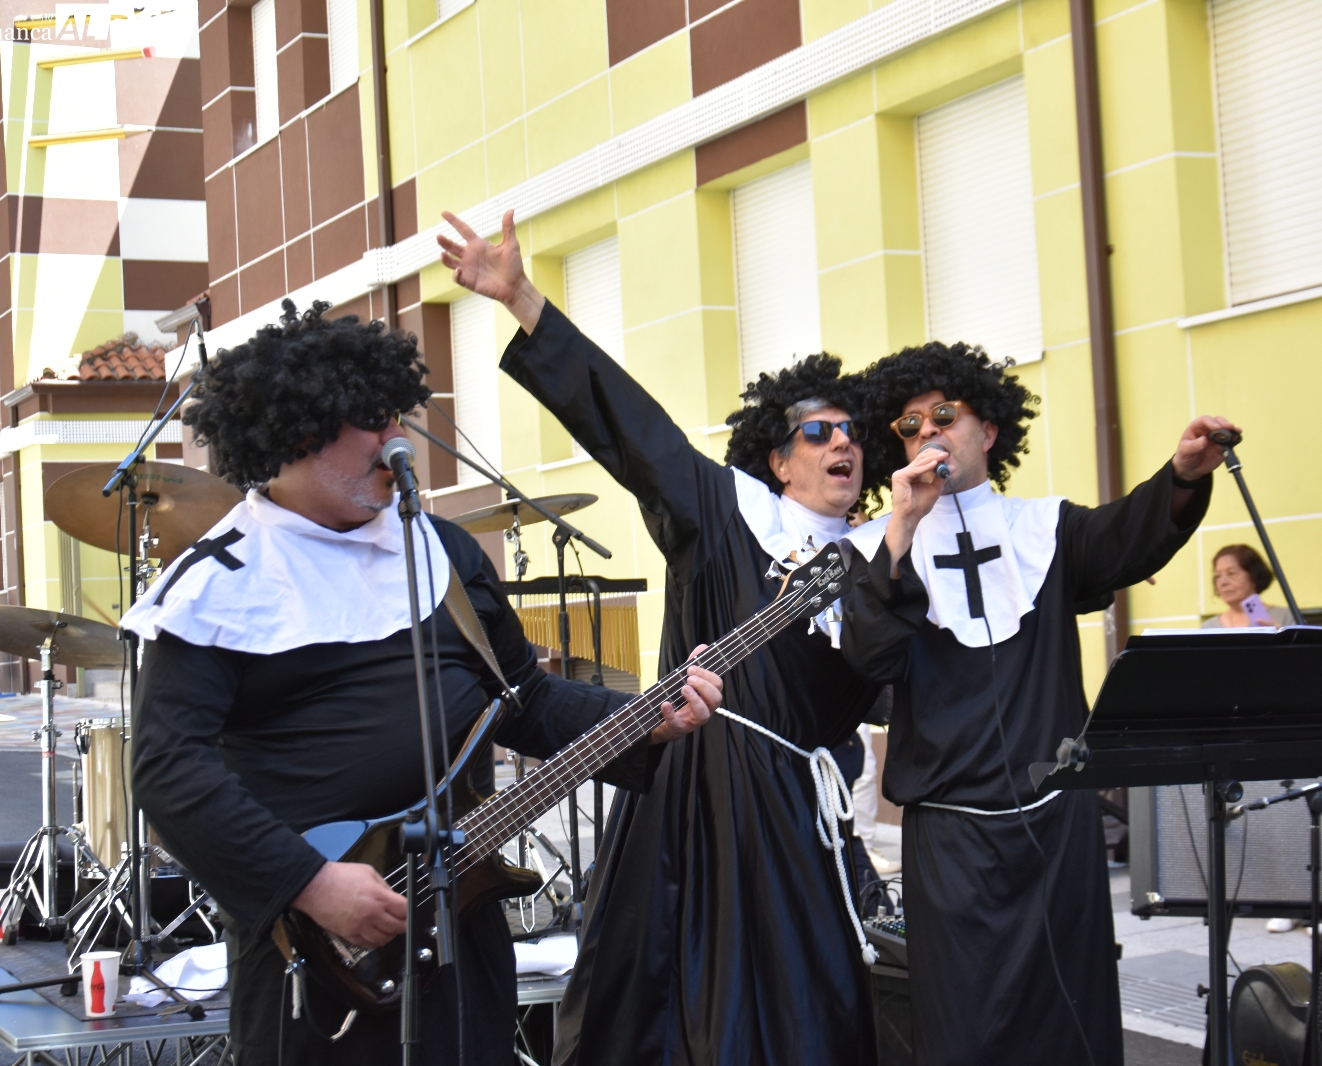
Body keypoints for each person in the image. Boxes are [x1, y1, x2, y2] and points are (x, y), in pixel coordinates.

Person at [127, 300, 722, 1066]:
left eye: (395, 415)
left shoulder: (441, 552)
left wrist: (645, 719)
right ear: (300, 434)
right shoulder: (218, 582)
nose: (396, 438)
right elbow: (168, 770)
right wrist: (306, 881)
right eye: (373, 422)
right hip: (314, 947)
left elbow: (525, 702)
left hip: (458, 910)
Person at [438, 209, 886, 1065]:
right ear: (777, 459)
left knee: (812, 1009)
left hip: (805, 817)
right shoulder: (722, 514)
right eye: (818, 432)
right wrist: (526, 301)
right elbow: (636, 431)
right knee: (678, 1007)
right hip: (703, 804)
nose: (845, 444)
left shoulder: (879, 561)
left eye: (853, 432)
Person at [837, 341, 1234, 1065]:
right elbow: (867, 660)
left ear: (987, 430)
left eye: (945, 415)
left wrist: (1180, 476)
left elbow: (1131, 537)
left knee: (1069, 1022)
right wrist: (902, 526)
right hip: (952, 841)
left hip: (1056, 828)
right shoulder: (875, 549)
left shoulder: (1047, 530)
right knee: (963, 1031)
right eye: (909, 424)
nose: (927, 432)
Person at [1201, 544, 1294, 628]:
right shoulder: (1208, 627)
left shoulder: (1287, 617)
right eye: (1218, 576)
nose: (1223, 582)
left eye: (1231, 573)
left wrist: (1280, 639)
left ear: (1254, 577)